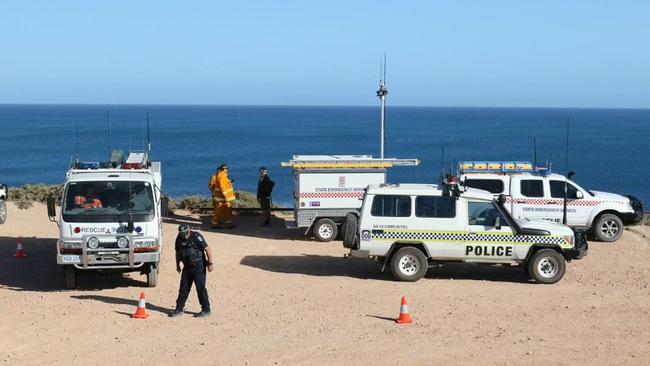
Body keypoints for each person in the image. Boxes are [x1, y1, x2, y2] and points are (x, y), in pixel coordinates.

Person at [171, 225, 213, 318]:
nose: (184, 236)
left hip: (199, 266)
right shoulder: (179, 239)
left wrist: (210, 263)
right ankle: (179, 309)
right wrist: (177, 265)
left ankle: (206, 309)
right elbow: (177, 253)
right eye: (182, 235)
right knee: (183, 289)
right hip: (187, 267)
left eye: (186, 234)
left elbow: (207, 249)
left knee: (201, 289)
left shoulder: (196, 236)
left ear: (189, 231)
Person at [208, 164, 236, 228]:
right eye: (226, 169)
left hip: (223, 198)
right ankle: (215, 224)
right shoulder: (222, 175)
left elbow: (223, 184)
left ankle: (228, 223)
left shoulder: (222, 175)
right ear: (224, 169)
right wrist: (225, 195)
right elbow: (222, 186)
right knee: (219, 210)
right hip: (222, 197)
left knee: (227, 210)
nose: (227, 170)